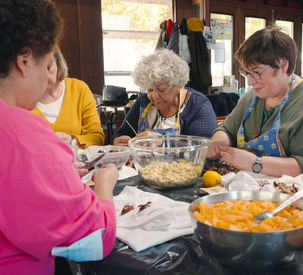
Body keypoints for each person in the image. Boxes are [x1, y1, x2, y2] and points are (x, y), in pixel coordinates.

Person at [0, 1, 118, 274]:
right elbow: (95, 239)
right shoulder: (23, 131)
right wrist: (104, 185)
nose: (47, 81)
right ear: (24, 60)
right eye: (47, 67)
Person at [207, 26, 303, 180]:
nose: (249, 81)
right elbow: (228, 129)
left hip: (297, 194)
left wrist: (255, 163)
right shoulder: (253, 97)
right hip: (249, 186)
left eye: (257, 72)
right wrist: (219, 143)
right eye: (246, 73)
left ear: (283, 65)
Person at [113, 49, 217, 146]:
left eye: (161, 89)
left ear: (178, 84)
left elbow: (205, 148)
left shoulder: (198, 105)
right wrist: (120, 140)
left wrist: (163, 142)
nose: (155, 96)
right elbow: (123, 132)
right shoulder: (143, 102)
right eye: (150, 90)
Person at [30, 46, 104, 148]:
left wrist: (72, 140)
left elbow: (97, 137)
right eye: (35, 71)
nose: (43, 76)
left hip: (79, 162)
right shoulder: (21, 98)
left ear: (58, 62)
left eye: (48, 68)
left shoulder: (79, 89)